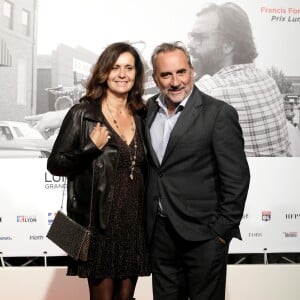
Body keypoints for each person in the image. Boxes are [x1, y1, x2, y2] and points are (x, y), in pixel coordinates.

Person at [145, 42, 250, 300]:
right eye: (166, 75)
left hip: (204, 237)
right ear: (155, 78)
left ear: (192, 71)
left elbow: (237, 179)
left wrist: (220, 233)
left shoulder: (218, 114)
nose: (175, 81)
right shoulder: (147, 111)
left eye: (181, 72)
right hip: (160, 237)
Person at [47, 42, 150, 300]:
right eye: (116, 67)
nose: (122, 74)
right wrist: (90, 147)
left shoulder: (141, 115)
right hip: (99, 226)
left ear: (136, 75)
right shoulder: (83, 113)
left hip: (133, 224)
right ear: (104, 72)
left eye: (129, 68)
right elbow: (56, 163)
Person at [188, 2, 291, 157]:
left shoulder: (206, 93)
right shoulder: (269, 82)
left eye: (199, 38)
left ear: (228, 45)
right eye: (191, 36)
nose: (190, 44)